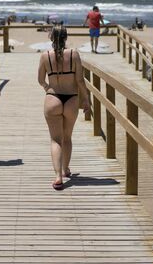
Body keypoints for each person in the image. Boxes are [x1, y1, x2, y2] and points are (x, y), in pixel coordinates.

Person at [38, 25, 91, 190]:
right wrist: (87, 100)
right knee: (67, 137)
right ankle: (66, 169)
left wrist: (49, 90)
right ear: (66, 37)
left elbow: (40, 80)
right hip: (71, 99)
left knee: (55, 139)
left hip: (53, 98)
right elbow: (80, 80)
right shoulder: (74, 54)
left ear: (51, 38)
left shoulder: (45, 56)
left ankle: (58, 176)